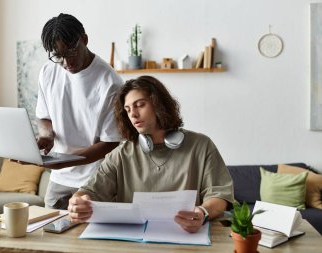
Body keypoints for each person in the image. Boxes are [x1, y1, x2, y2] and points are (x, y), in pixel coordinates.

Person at [68, 75, 234, 233]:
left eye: (140, 105)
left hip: (186, 238)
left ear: (158, 104)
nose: (133, 114)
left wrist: (202, 212)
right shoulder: (121, 154)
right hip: (134, 242)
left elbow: (220, 196)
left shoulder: (201, 145)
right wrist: (78, 202)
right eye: (128, 109)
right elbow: (89, 191)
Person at [36, 13, 123, 209]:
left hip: (95, 178)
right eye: (58, 55)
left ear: (84, 39)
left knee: (89, 238)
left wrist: (66, 161)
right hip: (59, 178)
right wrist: (46, 136)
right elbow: (44, 116)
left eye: (71, 52)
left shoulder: (111, 83)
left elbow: (110, 143)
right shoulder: (48, 71)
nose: (66, 62)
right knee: (50, 235)